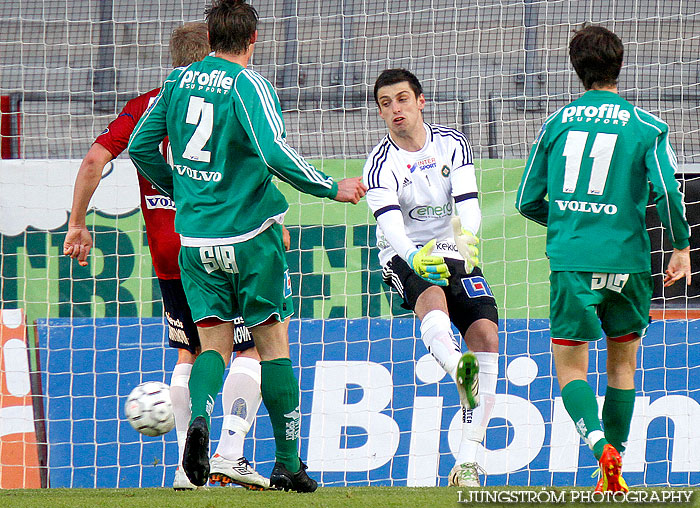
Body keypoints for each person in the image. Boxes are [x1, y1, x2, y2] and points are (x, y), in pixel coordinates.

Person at [127, 0, 367, 492]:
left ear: (211, 37)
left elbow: (138, 147)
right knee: (272, 346)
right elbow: (273, 152)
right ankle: (289, 463)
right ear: (253, 40)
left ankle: (199, 422)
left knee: (211, 345)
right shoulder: (248, 83)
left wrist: (180, 191)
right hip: (252, 239)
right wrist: (329, 186)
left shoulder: (176, 83)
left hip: (194, 241)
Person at [63, 21, 271, 491]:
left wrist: (77, 223)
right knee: (251, 346)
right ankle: (231, 453)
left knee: (188, 351)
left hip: (167, 255)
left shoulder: (145, 106)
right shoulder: (230, 94)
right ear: (215, 52)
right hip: (220, 240)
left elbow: (95, 159)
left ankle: (184, 469)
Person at [516, 25, 691, 493]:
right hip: (629, 262)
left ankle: (598, 448)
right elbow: (670, 193)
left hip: (573, 260)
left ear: (577, 69)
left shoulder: (555, 125)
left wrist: (570, 225)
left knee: (571, 367)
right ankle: (613, 472)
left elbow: (526, 200)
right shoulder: (647, 127)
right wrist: (680, 245)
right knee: (622, 367)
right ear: (619, 64)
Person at [362, 69, 500, 487]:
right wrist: (414, 257)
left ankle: (468, 462)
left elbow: (468, 201)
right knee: (433, 302)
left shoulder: (452, 143)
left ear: (420, 101)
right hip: (403, 254)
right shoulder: (378, 165)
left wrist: (468, 237)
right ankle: (458, 365)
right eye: (386, 103)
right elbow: (392, 228)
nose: (395, 109)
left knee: (487, 336)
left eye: (402, 99)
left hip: (450, 245)